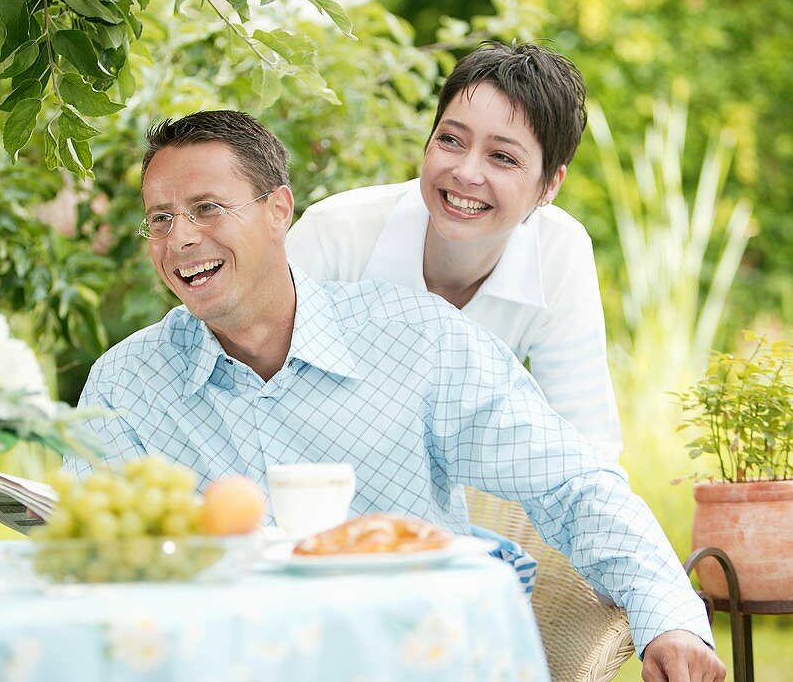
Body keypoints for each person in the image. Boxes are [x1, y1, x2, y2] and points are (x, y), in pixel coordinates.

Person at [78, 110, 724, 680]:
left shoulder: (418, 342)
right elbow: (86, 567)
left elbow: (574, 484)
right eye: (160, 219)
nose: (181, 239)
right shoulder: (124, 387)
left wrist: (668, 616)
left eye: (207, 208)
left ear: (279, 211)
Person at [286, 42, 621, 463]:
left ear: (551, 184)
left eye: (502, 157)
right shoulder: (335, 233)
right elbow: (253, 395)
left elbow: (587, 444)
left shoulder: (559, 252)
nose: (465, 172)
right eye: (451, 140)